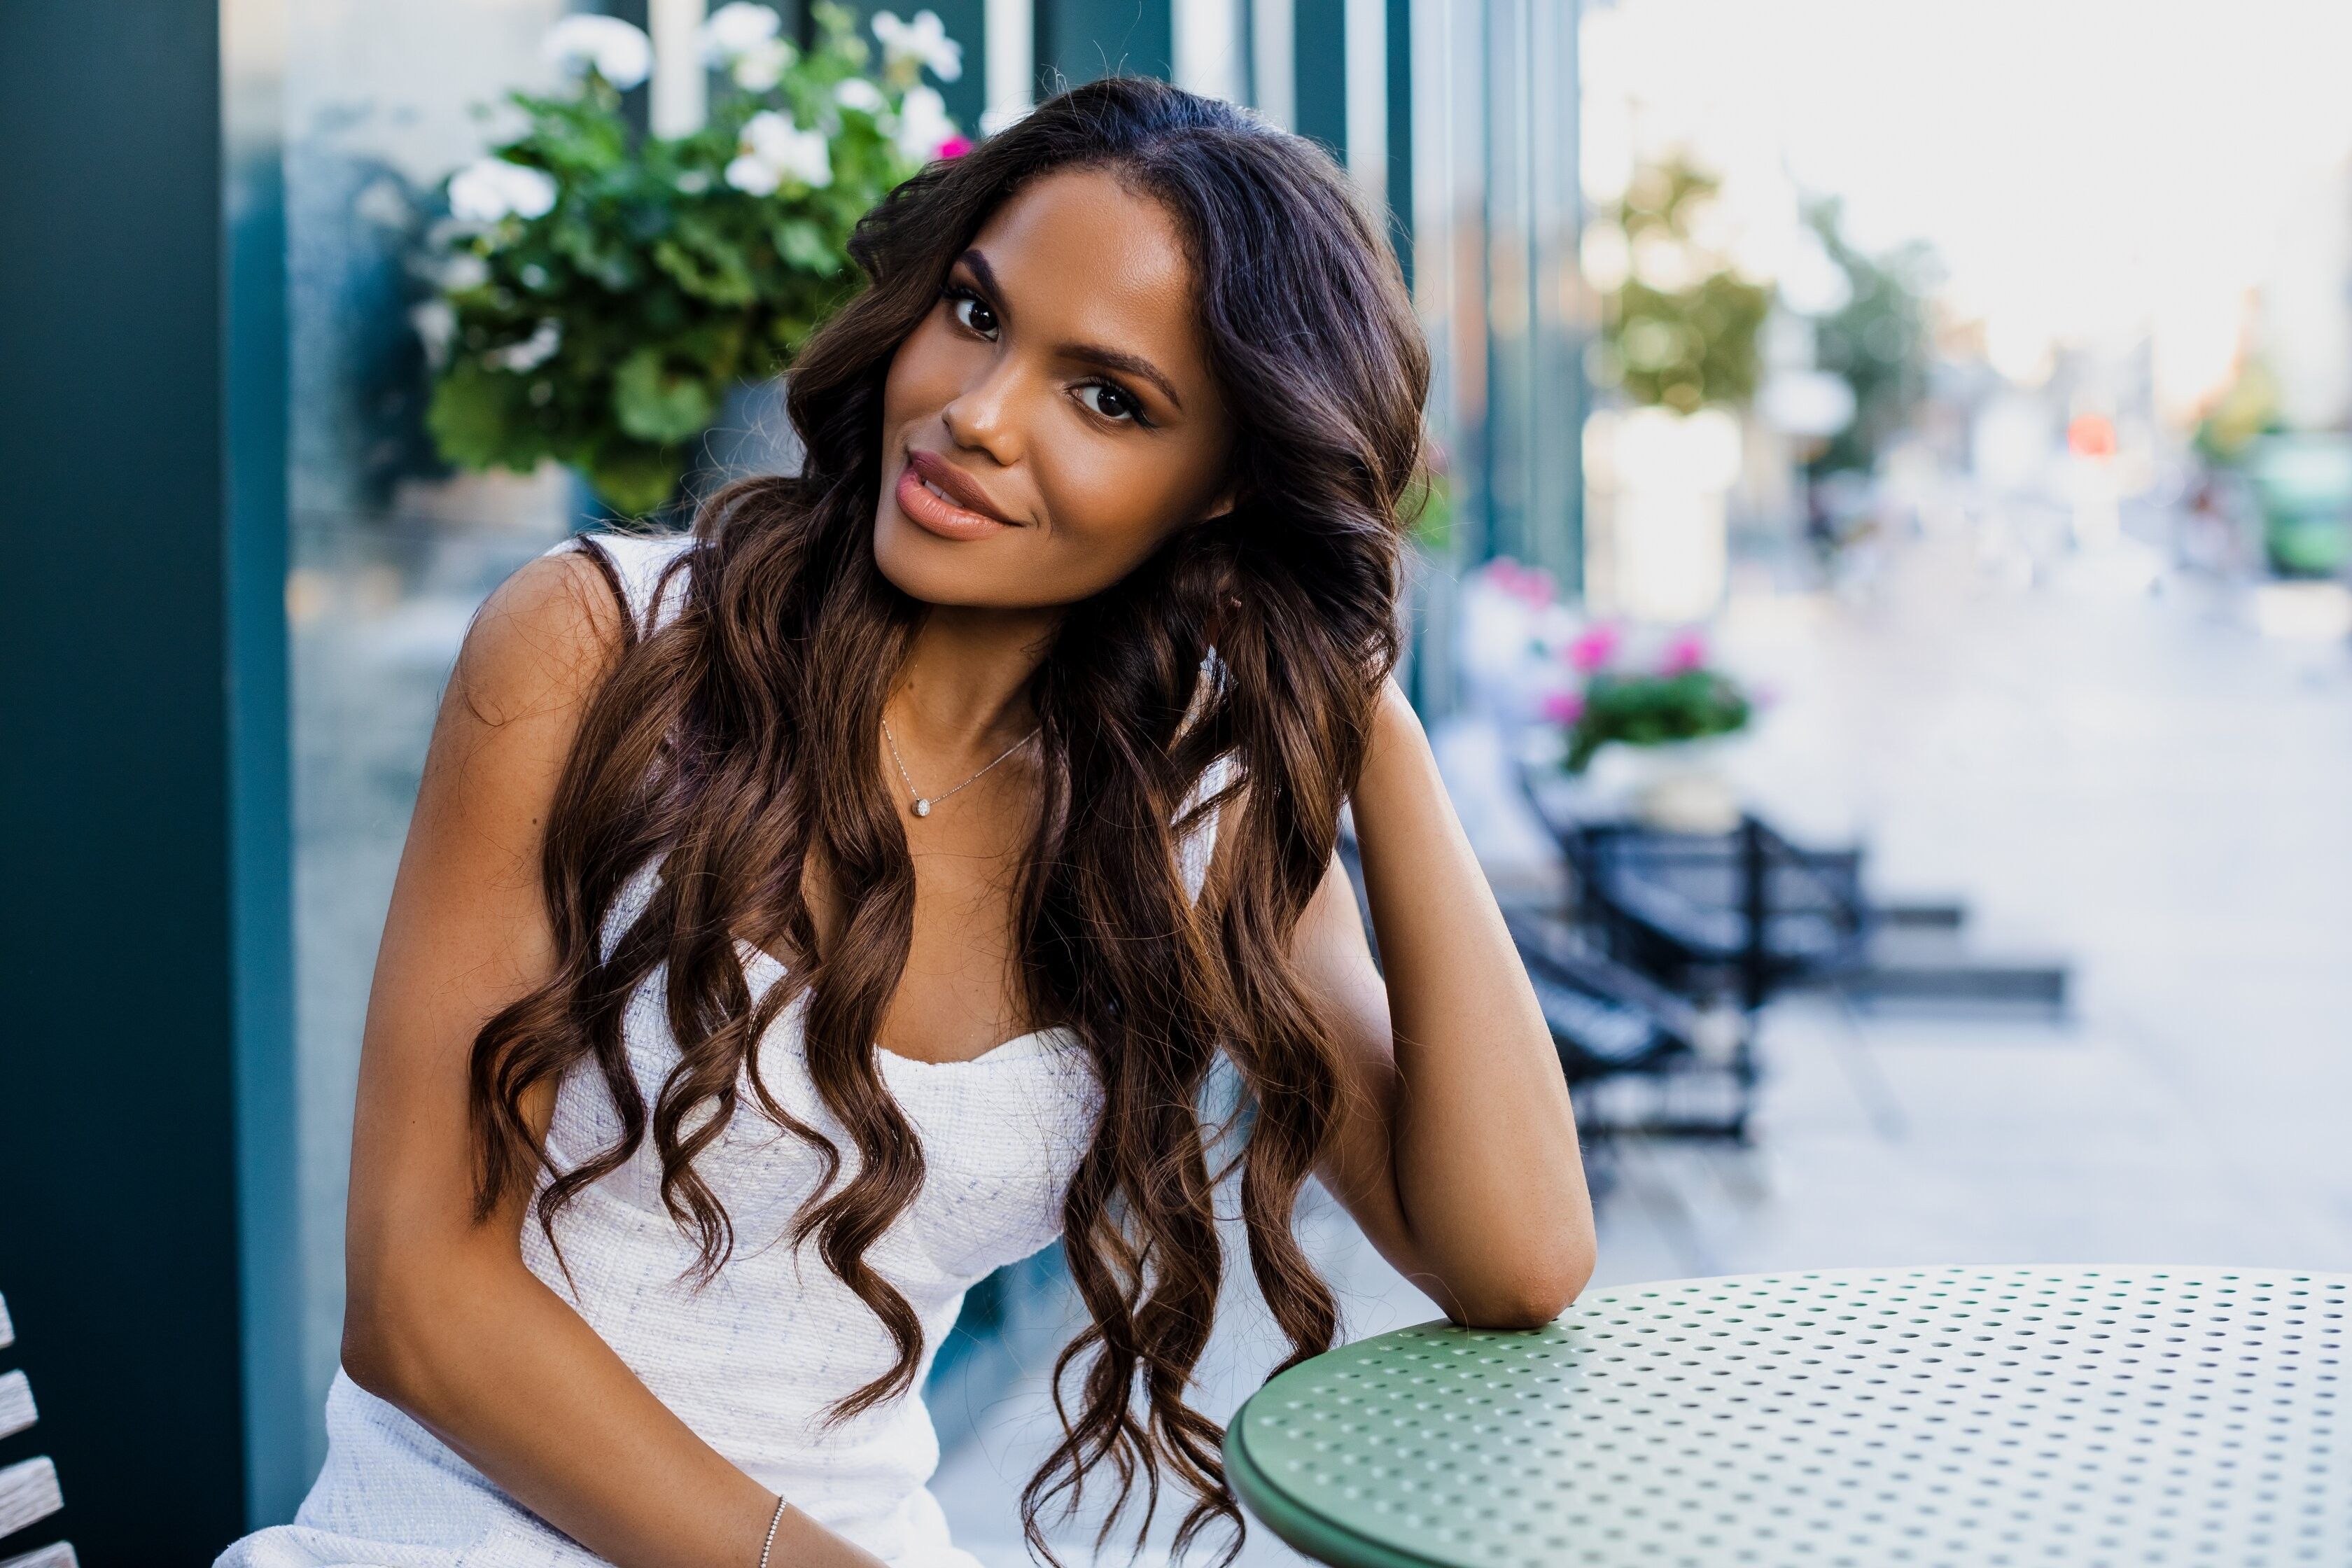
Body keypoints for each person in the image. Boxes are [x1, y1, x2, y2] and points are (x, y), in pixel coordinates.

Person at [221, 76, 1592, 1568]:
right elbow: (420, 1301)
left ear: (1222, 493)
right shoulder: (600, 655)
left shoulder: (1187, 812)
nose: (976, 413)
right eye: (978, 312)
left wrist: (1363, 709)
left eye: (1109, 397)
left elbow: (1514, 1257)